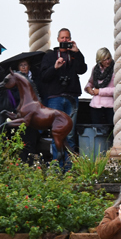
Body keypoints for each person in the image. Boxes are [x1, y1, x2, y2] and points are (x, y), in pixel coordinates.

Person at [39, 28, 88, 159]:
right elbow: (44, 76)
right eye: (62, 38)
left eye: (67, 38)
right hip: (56, 97)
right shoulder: (50, 56)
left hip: (71, 97)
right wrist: (55, 67)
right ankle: (57, 166)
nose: (65, 40)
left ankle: (68, 167)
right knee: (57, 133)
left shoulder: (73, 55)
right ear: (58, 39)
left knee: (70, 134)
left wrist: (77, 52)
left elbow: (82, 69)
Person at [84, 47, 116, 126]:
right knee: (96, 130)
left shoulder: (116, 69)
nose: (107, 61)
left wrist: (100, 91)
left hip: (110, 106)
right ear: (99, 60)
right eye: (104, 59)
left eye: (109, 58)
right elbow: (90, 82)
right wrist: (88, 88)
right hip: (95, 105)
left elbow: (118, 89)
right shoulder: (95, 69)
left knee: (110, 131)